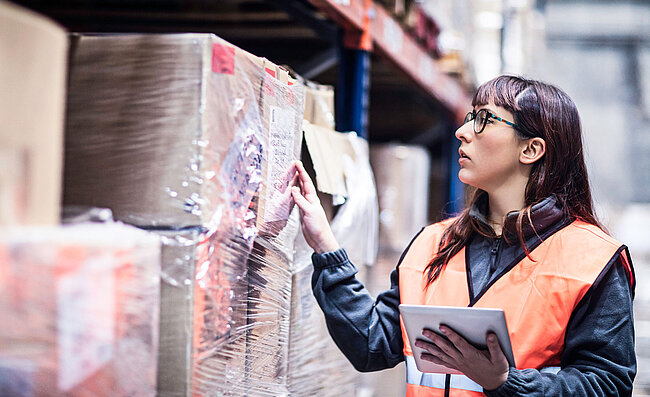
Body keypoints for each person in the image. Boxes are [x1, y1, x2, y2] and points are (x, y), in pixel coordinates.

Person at [290, 75, 637, 396]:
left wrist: (505, 382)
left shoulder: (592, 260)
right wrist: (325, 246)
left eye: (483, 119)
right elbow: (372, 345)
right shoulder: (432, 245)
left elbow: (606, 383)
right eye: (469, 116)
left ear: (530, 150)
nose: (462, 131)